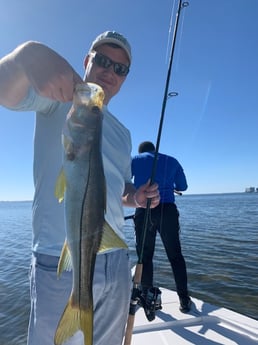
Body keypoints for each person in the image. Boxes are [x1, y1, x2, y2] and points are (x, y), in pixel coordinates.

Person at [0, 32, 160, 345]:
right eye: (102, 60)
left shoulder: (123, 133)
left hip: (115, 260)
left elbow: (117, 189)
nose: (109, 71)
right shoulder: (59, 100)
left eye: (120, 68)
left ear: (125, 78)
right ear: (87, 62)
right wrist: (26, 56)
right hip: (59, 258)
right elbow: (5, 90)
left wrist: (135, 197)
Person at [131, 141, 191, 314]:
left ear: (140, 151)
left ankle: (147, 298)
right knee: (175, 256)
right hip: (168, 212)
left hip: (144, 210)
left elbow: (123, 181)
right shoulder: (172, 161)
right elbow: (183, 187)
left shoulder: (134, 160)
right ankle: (184, 301)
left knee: (145, 256)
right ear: (155, 149)